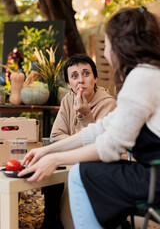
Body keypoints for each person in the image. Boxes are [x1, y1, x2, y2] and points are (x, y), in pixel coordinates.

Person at [19, 6, 160, 229]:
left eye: (107, 42)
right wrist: (46, 150)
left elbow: (110, 146)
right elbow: (100, 129)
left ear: (120, 45)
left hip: (154, 180)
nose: (105, 52)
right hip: (150, 175)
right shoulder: (148, 74)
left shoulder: (142, 78)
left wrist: (55, 159)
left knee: (80, 174)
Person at [40, 54, 116, 229]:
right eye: (74, 76)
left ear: (95, 78)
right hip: (70, 161)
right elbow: (56, 135)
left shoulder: (109, 105)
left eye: (86, 74)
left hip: (95, 165)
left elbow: (98, 145)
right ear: (69, 84)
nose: (81, 80)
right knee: (51, 169)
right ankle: (50, 220)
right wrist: (73, 144)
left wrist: (86, 115)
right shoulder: (67, 100)